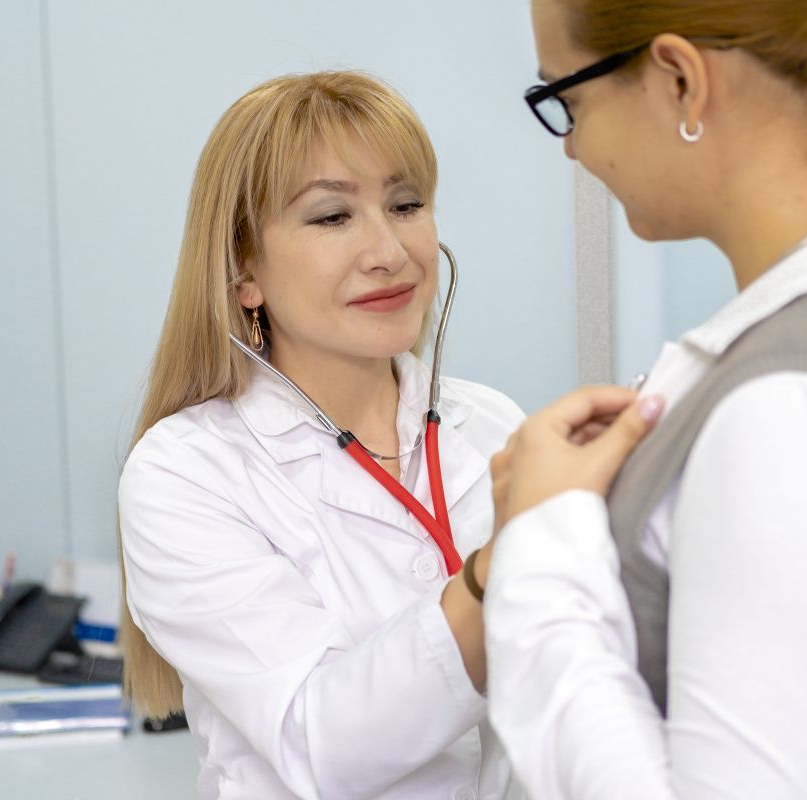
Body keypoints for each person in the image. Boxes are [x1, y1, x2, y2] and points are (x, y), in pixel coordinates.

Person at [470, 1, 807, 799]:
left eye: (568, 100)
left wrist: (542, 547)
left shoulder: (796, 408)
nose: (572, 146)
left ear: (681, 81)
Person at [116, 71, 525, 800]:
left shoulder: (495, 426)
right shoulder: (186, 473)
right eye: (333, 216)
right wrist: (506, 569)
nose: (389, 251)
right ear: (244, 272)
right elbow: (321, 742)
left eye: (406, 205)